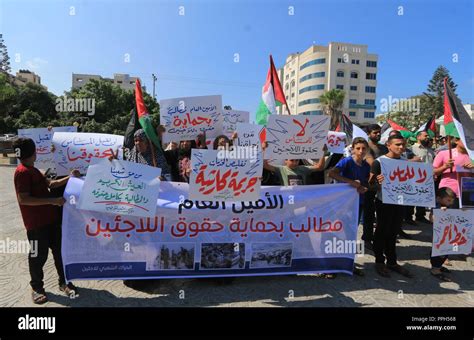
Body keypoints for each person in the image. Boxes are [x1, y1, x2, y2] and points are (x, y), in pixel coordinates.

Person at [12, 137, 80, 304]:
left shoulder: (33, 170)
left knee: (60, 253)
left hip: (51, 220)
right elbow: (24, 199)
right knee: (37, 256)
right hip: (36, 224)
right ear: (33, 152)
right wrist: (52, 201)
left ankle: (64, 282)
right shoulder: (22, 172)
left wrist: (70, 178)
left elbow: (52, 184)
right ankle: (36, 288)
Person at [368, 134, 414, 278]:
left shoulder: (405, 162)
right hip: (384, 203)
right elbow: (370, 185)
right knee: (382, 231)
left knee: (393, 232)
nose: (401, 147)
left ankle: (392, 262)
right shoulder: (379, 162)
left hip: (400, 202)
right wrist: (378, 183)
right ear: (388, 145)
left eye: (403, 145)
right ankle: (379, 261)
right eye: (397, 144)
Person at [328, 137, 371, 276]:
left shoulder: (366, 166)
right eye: (358, 148)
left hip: (358, 203)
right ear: (352, 149)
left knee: (351, 234)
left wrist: (362, 188)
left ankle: (348, 263)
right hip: (342, 204)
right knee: (335, 233)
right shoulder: (346, 161)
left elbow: (363, 183)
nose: (361, 151)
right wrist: (350, 182)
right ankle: (330, 266)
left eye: (363, 148)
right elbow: (332, 173)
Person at [362, 124, 388, 251]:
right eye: (375, 132)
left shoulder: (384, 148)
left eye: (379, 132)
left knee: (383, 214)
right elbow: (371, 162)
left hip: (384, 185)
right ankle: (367, 238)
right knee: (369, 214)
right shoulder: (365, 147)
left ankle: (380, 237)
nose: (378, 134)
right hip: (370, 185)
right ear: (368, 133)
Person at [433, 137, 473, 206]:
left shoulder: (472, 156)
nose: (468, 142)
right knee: (446, 216)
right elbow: (433, 172)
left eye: (470, 140)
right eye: (465, 139)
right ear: (456, 141)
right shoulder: (443, 154)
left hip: (468, 193)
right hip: (447, 193)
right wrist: (444, 167)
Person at [428, 187, 457, 282]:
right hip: (439, 237)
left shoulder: (449, 207)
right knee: (438, 253)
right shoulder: (437, 206)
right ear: (439, 198)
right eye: (448, 200)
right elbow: (431, 219)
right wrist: (440, 212)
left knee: (445, 252)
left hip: (447, 235)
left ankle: (439, 266)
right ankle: (435, 269)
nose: (450, 203)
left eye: (452, 201)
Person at [410, 131, 436, 224]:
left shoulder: (430, 150)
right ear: (418, 137)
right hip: (415, 178)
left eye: (427, 136)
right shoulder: (412, 149)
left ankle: (420, 216)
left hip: (428, 178)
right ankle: (408, 218)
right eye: (425, 136)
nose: (427, 137)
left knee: (423, 198)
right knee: (412, 198)